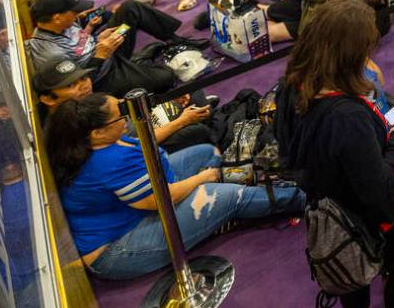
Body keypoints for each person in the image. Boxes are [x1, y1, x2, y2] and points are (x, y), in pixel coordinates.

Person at [275, 0, 394, 308]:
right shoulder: (349, 117)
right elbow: (385, 196)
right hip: (366, 212)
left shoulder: (290, 87)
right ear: (352, 56)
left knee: (348, 265)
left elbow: (287, 154)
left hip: (327, 211)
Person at [47, 92, 302, 280]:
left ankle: (218, 213)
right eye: (120, 115)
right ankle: (303, 197)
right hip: (118, 248)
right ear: (97, 132)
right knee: (223, 194)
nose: (127, 117)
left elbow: (142, 143)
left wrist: (180, 122)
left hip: (135, 210)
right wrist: (203, 179)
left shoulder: (95, 142)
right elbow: (163, 200)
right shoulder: (108, 161)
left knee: (204, 152)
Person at [25, 0, 198, 98]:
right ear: (57, 18)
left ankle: (175, 40)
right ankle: (139, 64)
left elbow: (80, 42)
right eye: (74, 11)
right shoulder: (50, 54)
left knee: (130, 8)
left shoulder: (65, 24)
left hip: (108, 49)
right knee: (166, 76)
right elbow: (82, 88)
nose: (79, 13)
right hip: (103, 77)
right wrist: (100, 56)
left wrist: (99, 38)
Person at [31, 58, 214, 151]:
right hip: (143, 146)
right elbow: (135, 146)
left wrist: (166, 100)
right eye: (71, 85)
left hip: (142, 125)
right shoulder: (69, 128)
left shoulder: (82, 103)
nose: (84, 85)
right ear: (48, 99)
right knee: (198, 131)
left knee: (190, 93)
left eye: (84, 78)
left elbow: (122, 105)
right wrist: (181, 121)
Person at [262, 0, 386, 43]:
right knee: (267, 12)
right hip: (306, 6)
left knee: (268, 35)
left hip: (312, 28)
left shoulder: (379, 24)